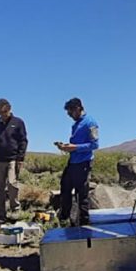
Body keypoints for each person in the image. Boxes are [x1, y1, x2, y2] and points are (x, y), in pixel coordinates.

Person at [56, 97, 99, 226]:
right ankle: (64, 218)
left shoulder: (90, 122)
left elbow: (94, 144)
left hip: (83, 163)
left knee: (81, 194)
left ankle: (84, 224)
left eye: (70, 112)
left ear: (78, 109)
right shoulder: (75, 125)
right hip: (73, 162)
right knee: (65, 188)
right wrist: (65, 147)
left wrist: (75, 148)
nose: (69, 115)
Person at [0, 98, 28, 223]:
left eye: (5, 111)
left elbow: (23, 140)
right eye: (0, 112)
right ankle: (1, 214)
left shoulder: (18, 122)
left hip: (13, 159)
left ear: (9, 109)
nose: (3, 114)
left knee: (12, 183)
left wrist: (21, 158)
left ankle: (15, 210)